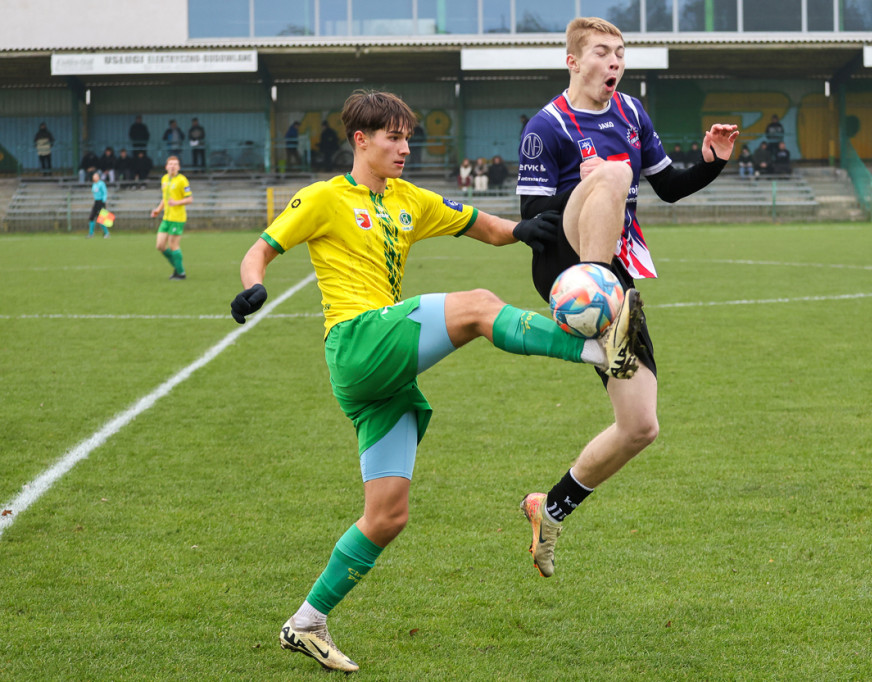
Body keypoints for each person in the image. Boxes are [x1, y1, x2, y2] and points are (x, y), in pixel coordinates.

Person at [228, 89, 640, 674]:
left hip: (381, 376)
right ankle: (598, 348)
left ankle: (306, 622)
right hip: (358, 342)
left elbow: (488, 228)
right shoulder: (324, 198)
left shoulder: (409, 200)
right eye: (392, 137)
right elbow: (260, 250)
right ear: (361, 141)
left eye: (407, 137)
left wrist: (531, 229)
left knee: (388, 515)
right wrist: (253, 286)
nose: (404, 147)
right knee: (475, 307)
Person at [515, 17, 737, 579]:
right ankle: (592, 290)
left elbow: (668, 187)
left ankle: (552, 508)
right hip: (565, 267)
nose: (614, 63)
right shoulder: (547, 126)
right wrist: (589, 183)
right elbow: (531, 220)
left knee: (641, 425)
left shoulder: (633, 113)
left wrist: (711, 162)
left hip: (617, 276)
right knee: (611, 176)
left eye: (620, 54)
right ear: (573, 61)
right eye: (601, 53)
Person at [150, 156, 191, 280]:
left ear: (178, 167)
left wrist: (177, 202)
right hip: (166, 218)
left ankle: (181, 273)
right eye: (170, 164)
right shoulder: (164, 179)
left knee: (173, 245)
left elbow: (189, 199)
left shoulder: (182, 180)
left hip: (177, 218)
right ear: (166, 166)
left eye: (175, 164)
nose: (173, 166)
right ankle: (178, 267)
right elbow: (165, 199)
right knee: (160, 246)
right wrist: (158, 210)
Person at [87, 172, 110, 239]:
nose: (94, 178)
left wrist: (103, 201)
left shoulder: (101, 184)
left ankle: (107, 233)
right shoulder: (94, 184)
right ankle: (91, 233)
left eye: (95, 176)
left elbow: (105, 192)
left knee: (101, 219)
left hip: (101, 202)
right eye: (93, 177)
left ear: (98, 177)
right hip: (96, 202)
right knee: (91, 217)